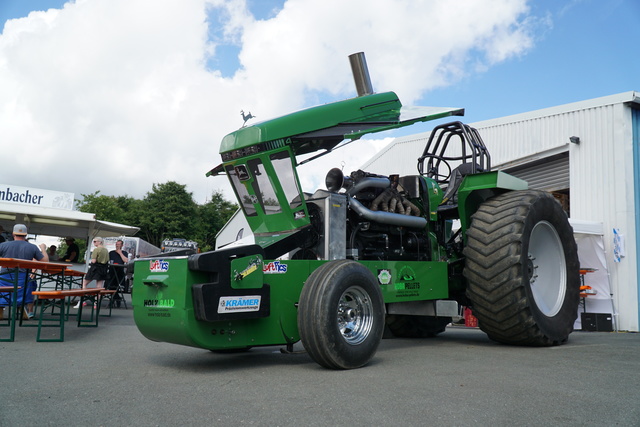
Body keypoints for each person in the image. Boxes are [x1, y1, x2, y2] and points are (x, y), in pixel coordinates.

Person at [0, 224, 48, 319]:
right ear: (26, 235)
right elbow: (45, 262)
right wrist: (43, 249)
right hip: (23, 280)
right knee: (30, 283)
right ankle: (22, 307)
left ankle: (0, 308)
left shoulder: (3, 245)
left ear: (13, 234)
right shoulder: (32, 247)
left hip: (5, 279)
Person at [74, 236, 108, 309]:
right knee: (99, 286)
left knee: (84, 283)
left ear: (100, 242)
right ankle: (96, 303)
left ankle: (83, 300)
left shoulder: (96, 250)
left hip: (95, 268)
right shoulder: (106, 250)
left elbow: (93, 260)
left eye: (95, 241)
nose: (94, 243)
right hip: (103, 269)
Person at [107, 239, 128, 307]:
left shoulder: (124, 253)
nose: (117, 246)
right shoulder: (111, 253)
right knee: (110, 286)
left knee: (117, 286)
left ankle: (114, 299)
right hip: (112, 271)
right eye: (116, 244)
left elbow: (126, 260)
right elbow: (108, 261)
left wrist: (120, 253)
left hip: (119, 271)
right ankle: (116, 298)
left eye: (119, 244)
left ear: (122, 245)